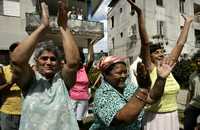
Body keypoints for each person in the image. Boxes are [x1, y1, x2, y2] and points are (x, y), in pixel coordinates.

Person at [10, 1, 80, 130]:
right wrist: (43, 26)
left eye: (53, 59)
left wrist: (63, 26)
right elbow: (17, 60)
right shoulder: (30, 80)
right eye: (44, 58)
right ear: (36, 61)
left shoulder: (62, 81)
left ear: (59, 64)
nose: (48, 62)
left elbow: (73, 62)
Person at [131, 0, 194, 128]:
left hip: (172, 116)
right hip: (156, 118)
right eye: (156, 52)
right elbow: (145, 43)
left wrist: (188, 22)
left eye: (162, 51)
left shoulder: (167, 66)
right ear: (149, 56)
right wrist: (140, 14)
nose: (161, 54)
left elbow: (180, 44)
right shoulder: (149, 67)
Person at [69, 43, 94, 129]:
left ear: (82, 60)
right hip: (71, 98)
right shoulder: (70, 70)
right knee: (70, 118)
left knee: (79, 120)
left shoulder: (85, 69)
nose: (78, 61)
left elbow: (91, 60)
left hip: (83, 99)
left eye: (80, 59)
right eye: (76, 59)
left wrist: (90, 45)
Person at [0, 42, 21, 130]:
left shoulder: (30, 71)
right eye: (14, 51)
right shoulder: (3, 70)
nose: (16, 53)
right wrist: (12, 81)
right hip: (7, 112)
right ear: (10, 53)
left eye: (19, 51)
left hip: (25, 113)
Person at [184, 50, 200, 130]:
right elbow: (190, 92)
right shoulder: (192, 76)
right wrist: (187, 106)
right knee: (187, 125)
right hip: (194, 105)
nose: (198, 63)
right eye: (197, 61)